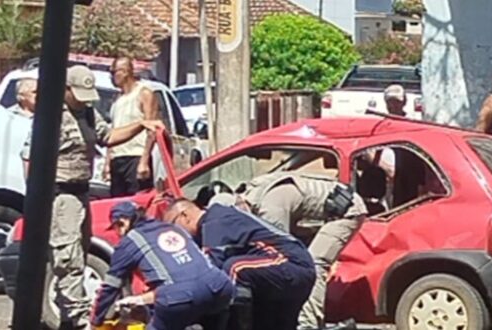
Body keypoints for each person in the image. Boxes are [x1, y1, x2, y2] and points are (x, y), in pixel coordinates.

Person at [20, 65, 163, 330]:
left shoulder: (86, 111)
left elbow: (107, 136)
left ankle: (69, 318)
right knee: (68, 258)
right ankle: (79, 321)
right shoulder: (51, 116)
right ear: (66, 90)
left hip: (81, 191)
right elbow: (29, 157)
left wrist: (141, 126)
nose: (83, 100)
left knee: (80, 254)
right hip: (60, 195)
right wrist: (37, 198)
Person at [208, 172, 367, 330]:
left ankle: (308, 325)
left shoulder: (270, 209)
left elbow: (282, 255)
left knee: (314, 263)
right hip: (320, 213)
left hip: (347, 212)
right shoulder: (253, 197)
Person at [163, 199, 316, 330]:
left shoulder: (215, 221)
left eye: (173, 226)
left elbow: (209, 269)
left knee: (234, 269)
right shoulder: (213, 224)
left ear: (184, 216)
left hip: (291, 263)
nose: (175, 234)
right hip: (279, 274)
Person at [90, 201, 234, 330]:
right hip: (221, 287)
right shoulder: (173, 228)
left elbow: (110, 286)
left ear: (122, 223)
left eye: (116, 227)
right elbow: (187, 275)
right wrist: (141, 301)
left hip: (179, 298)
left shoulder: (130, 241)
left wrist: (95, 321)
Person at [105, 56, 160, 197]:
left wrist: (144, 161)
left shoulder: (144, 93)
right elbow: (113, 131)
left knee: (136, 204)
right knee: (117, 203)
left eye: (113, 72)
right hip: (118, 159)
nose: (111, 77)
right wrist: (107, 162)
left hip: (136, 157)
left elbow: (151, 129)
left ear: (124, 72)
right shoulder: (117, 98)